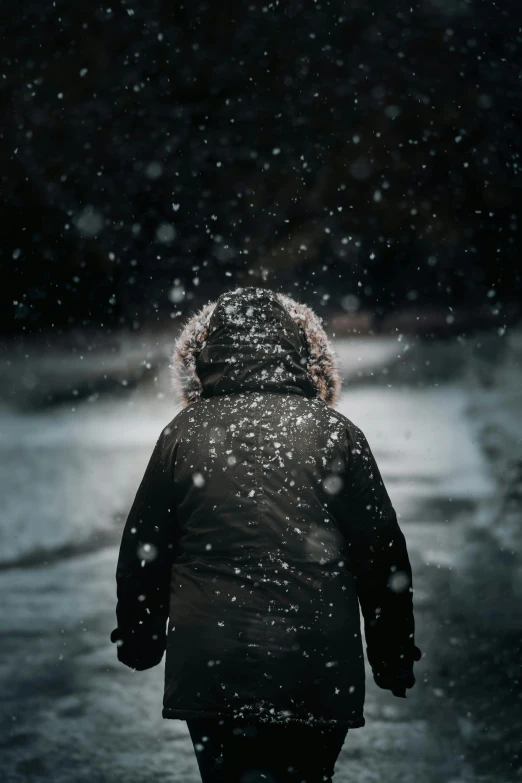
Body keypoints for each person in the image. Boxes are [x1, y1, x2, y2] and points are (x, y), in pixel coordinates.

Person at [110, 286, 422, 783]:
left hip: (213, 665)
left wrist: (141, 637)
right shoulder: (334, 433)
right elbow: (381, 555)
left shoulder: (182, 434)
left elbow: (145, 550)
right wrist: (392, 653)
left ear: (203, 355)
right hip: (313, 661)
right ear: (305, 355)